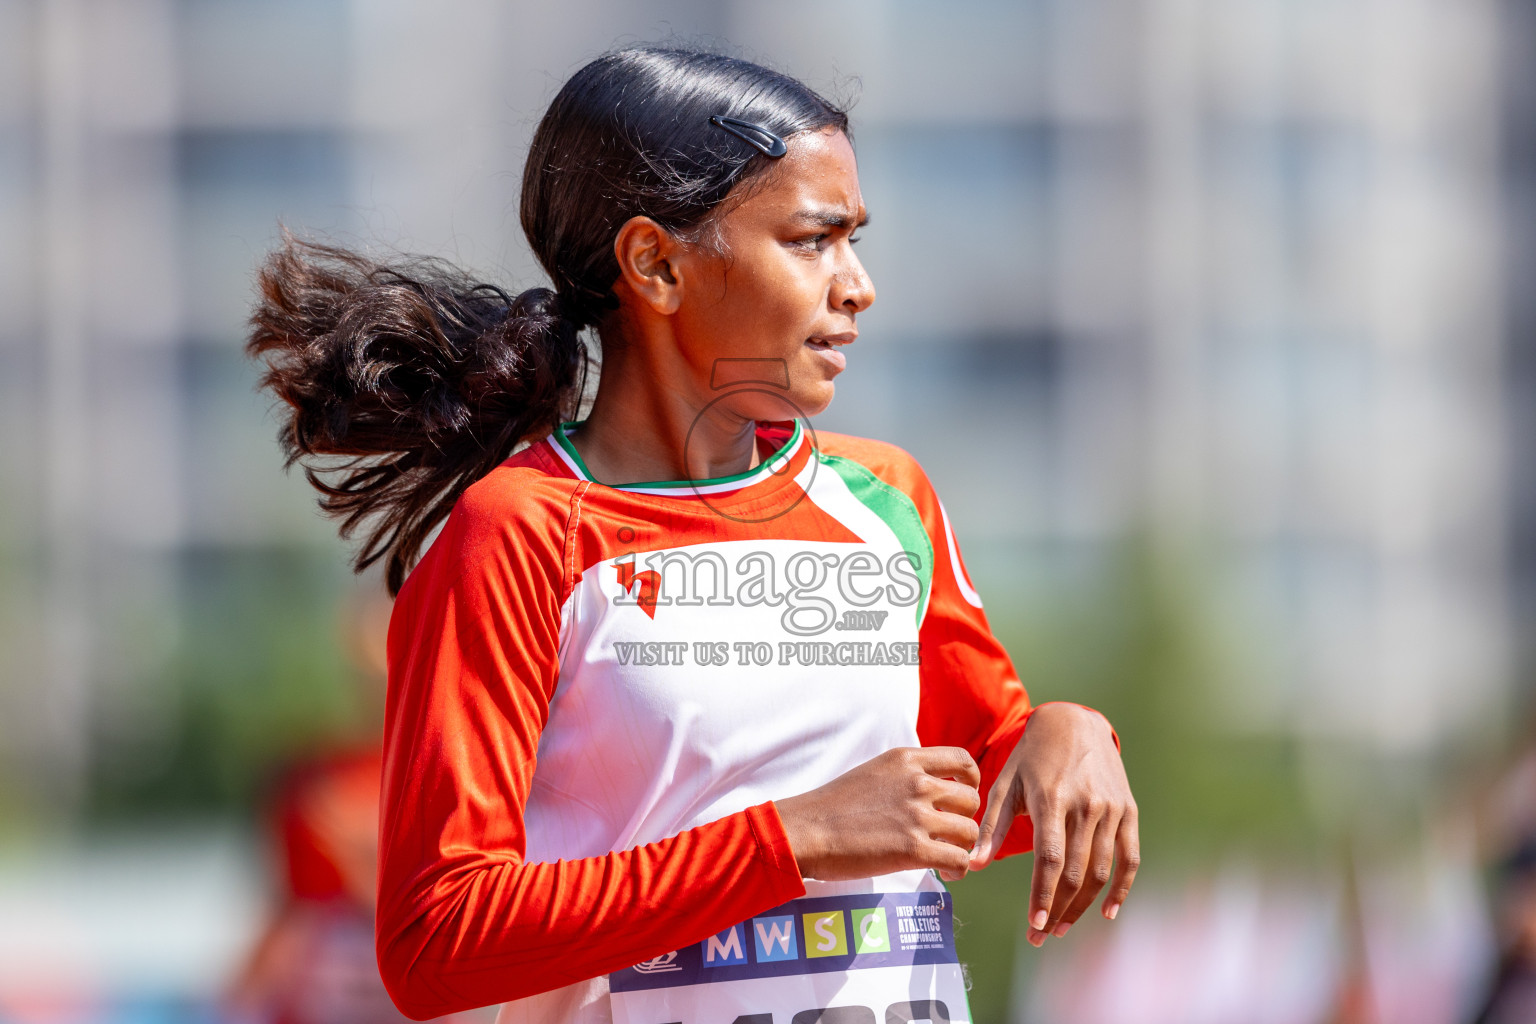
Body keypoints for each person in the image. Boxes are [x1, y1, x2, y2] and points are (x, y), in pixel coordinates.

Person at [246, 46, 1137, 1024]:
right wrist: (793, 839)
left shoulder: (887, 498)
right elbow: (435, 942)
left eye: (856, 240)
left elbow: (975, 790)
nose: (859, 285)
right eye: (813, 240)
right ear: (656, 264)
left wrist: (1067, 735)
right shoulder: (520, 532)